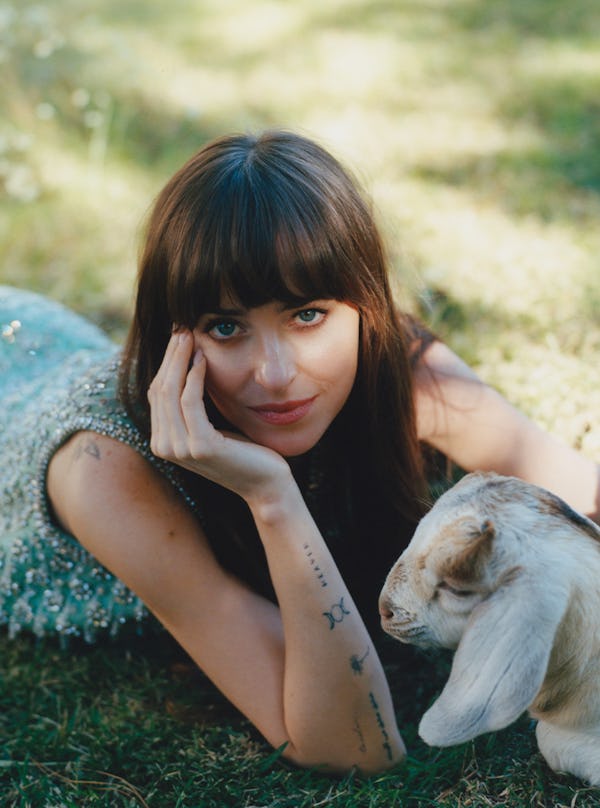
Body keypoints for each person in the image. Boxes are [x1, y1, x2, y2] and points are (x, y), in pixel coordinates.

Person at [0, 130, 598, 775]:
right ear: (173, 335)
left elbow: (579, 496)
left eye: (307, 314)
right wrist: (272, 497)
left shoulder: (388, 360)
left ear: (363, 306)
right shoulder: (103, 469)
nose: (275, 373)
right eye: (225, 326)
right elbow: (354, 748)